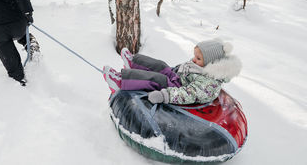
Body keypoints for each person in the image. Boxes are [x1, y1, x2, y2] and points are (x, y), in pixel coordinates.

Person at [103, 39, 242, 104]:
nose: (193, 59)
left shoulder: (208, 83)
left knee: (157, 79)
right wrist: (171, 70)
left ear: (210, 63)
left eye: (198, 58)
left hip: (180, 88)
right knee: (162, 66)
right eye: (195, 55)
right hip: (179, 79)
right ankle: (133, 62)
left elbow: (189, 94)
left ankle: (120, 81)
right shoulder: (200, 65)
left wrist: (165, 96)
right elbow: (186, 69)